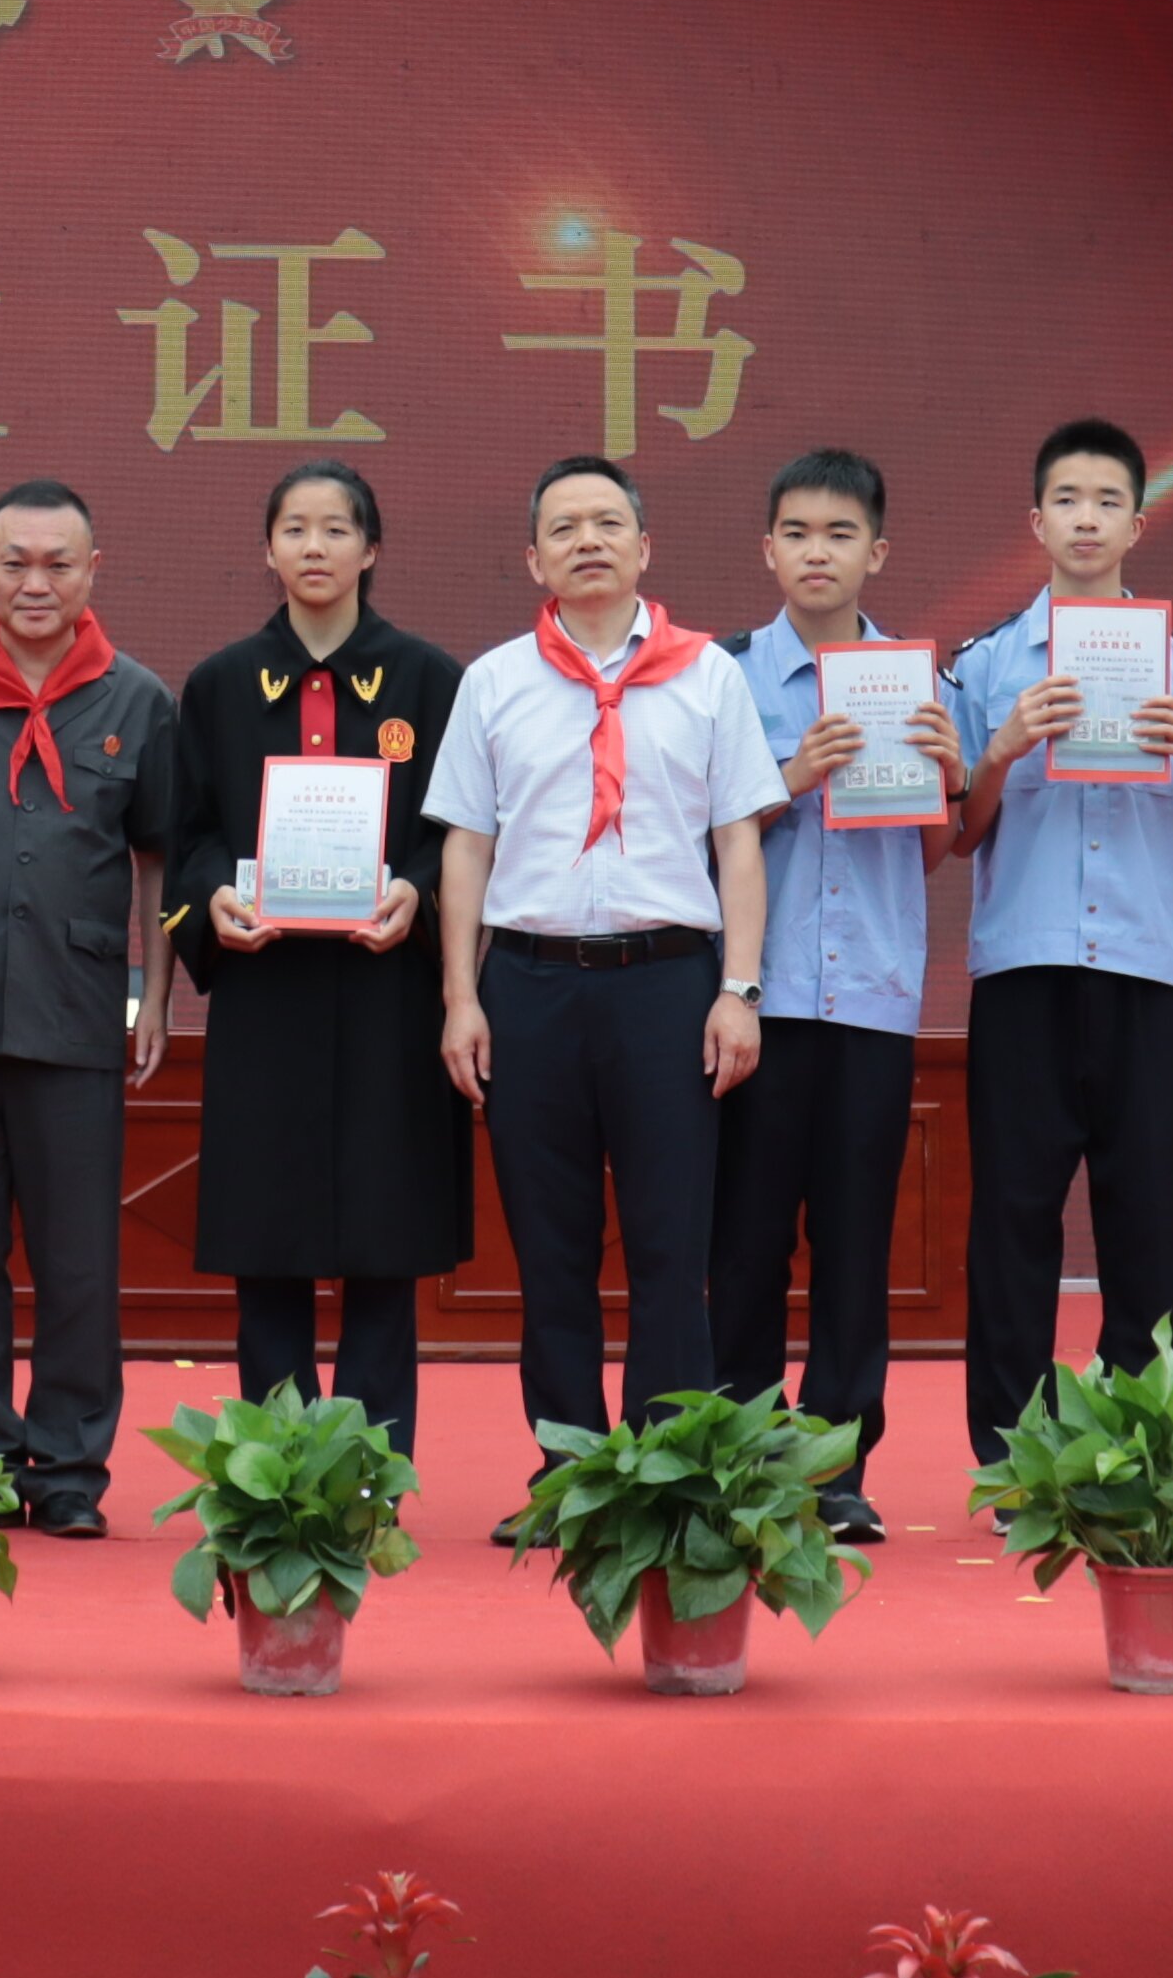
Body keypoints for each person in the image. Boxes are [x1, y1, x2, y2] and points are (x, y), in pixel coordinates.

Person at [427, 454, 773, 1459]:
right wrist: (461, 996)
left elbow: (739, 842)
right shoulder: (493, 681)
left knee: (672, 1244)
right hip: (528, 985)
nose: (588, 540)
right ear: (535, 558)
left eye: (608, 522)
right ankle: (569, 1467)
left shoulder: (709, 675)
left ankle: (665, 1471)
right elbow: (466, 847)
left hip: (669, 985)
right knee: (551, 1248)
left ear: (644, 546)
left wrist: (739, 989)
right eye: (565, 527)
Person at [0, 477, 186, 1534]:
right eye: (15, 562)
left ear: (94, 571)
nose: (36, 582)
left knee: (78, 1262)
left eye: (59, 563)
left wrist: (155, 990)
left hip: (77, 1008)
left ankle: (65, 1470)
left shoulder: (139, 699)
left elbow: (155, 857)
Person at [939, 418, 1173, 1460]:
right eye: (1067, 499)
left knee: (1144, 1214)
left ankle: (1147, 1448)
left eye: (1107, 501)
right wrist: (1003, 749)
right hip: (1024, 970)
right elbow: (956, 834)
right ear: (1036, 521)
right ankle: (1008, 1449)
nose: (1086, 518)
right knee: (1013, 1216)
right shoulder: (985, 666)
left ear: (1137, 524)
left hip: (1146, 972)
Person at [168, 462, 468, 1450]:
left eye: (336, 528)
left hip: (390, 993)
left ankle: (374, 1472)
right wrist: (213, 896)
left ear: (370, 548)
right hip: (266, 996)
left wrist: (415, 889)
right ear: (268, 549)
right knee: (269, 1244)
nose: (314, 546)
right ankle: (274, 1472)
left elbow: (460, 830)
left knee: (386, 1244)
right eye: (293, 527)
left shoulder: (430, 680)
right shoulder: (219, 684)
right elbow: (189, 832)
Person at [716, 449, 956, 1543]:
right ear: (768, 548)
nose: (819, 552)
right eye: (799, 532)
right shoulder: (721, 680)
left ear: (878, 552)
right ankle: (740, 1452)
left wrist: (947, 778)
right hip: (756, 1001)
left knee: (857, 1245)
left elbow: (937, 850)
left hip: (869, 998)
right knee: (746, 1240)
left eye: (841, 533)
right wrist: (792, 776)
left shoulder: (921, 683)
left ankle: (838, 1464)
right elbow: (694, 835)